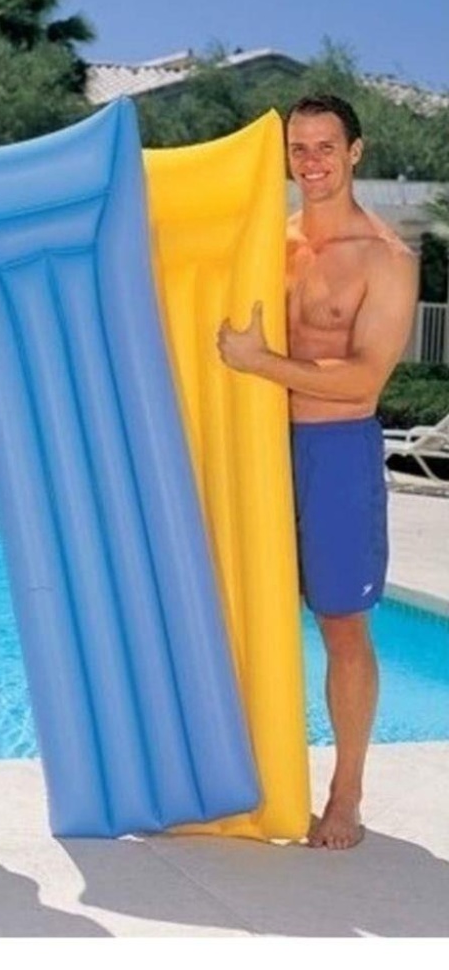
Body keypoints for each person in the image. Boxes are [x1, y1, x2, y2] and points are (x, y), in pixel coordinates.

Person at [217, 94, 418, 850]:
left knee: (341, 626)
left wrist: (262, 363)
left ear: (355, 152)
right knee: (247, 615)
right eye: (298, 149)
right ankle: (256, 779)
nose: (311, 162)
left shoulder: (386, 259)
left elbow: (362, 380)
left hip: (336, 453)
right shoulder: (270, 242)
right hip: (260, 449)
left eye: (326, 147)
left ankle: (347, 794)